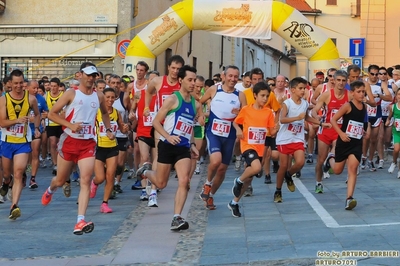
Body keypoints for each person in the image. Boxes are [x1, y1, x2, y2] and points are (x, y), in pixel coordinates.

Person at [41, 62, 114, 235]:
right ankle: (50, 189)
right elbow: (52, 114)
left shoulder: (99, 96)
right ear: (80, 75)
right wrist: (70, 125)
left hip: (88, 143)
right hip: (69, 141)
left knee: (86, 179)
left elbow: (104, 113)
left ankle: (80, 221)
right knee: (60, 180)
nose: (90, 78)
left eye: (93, 75)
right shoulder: (71, 93)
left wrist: (108, 128)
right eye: (88, 75)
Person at [138, 65, 203, 231]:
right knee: (161, 183)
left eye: (194, 80)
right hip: (167, 145)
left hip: (183, 148)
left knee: (184, 180)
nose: (193, 83)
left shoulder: (195, 104)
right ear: (180, 80)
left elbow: (189, 126)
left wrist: (193, 144)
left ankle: (177, 217)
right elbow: (155, 122)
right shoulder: (173, 99)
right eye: (190, 80)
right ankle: (145, 172)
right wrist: (167, 136)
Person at [274, 77, 330, 203]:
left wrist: (321, 124)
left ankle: (288, 175)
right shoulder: (287, 103)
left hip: (297, 138)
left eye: (304, 88)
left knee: (300, 162)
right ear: (293, 90)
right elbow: (282, 119)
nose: (303, 90)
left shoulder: (304, 103)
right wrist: (295, 118)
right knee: (283, 166)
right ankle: (278, 190)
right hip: (284, 139)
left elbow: (306, 118)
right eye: (300, 88)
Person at [198, 65, 246, 210]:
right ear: (223, 76)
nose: (232, 79)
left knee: (222, 169)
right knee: (216, 160)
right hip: (213, 132)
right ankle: (207, 183)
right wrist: (201, 115)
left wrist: (240, 113)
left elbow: (246, 115)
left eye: (235, 77)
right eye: (230, 76)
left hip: (230, 134)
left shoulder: (240, 95)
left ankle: (210, 195)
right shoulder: (214, 89)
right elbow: (199, 102)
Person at [229, 82, 276, 217]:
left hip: (260, 148)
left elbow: (271, 132)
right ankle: (238, 181)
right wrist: (238, 130)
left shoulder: (268, 113)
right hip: (247, 145)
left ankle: (234, 202)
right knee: (256, 168)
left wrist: (276, 130)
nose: (265, 99)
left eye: (267, 96)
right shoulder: (246, 110)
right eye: (262, 96)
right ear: (255, 95)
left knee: (249, 179)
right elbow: (235, 122)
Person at [0, 69, 41, 220]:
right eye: (15, 83)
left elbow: (37, 114)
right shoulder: (4, 100)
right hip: (7, 141)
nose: (18, 86)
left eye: (21, 83)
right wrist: (17, 121)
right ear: (10, 84)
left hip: (23, 142)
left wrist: (36, 127)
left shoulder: (31, 99)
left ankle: (14, 206)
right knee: (6, 174)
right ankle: (5, 183)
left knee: (18, 173)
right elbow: (2, 122)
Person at [90, 88, 131, 213]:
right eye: (107, 97)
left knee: (110, 176)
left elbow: (122, 130)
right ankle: (95, 183)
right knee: (100, 177)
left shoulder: (116, 112)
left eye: (113, 97)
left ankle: (105, 203)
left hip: (112, 147)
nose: (110, 100)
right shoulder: (96, 112)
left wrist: (126, 127)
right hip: (98, 147)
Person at [330, 80, 368, 210]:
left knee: (353, 169)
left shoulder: (364, 107)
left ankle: (349, 198)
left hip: (356, 143)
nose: (362, 94)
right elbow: (333, 120)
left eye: (363, 92)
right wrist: (341, 133)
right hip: (344, 142)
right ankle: (330, 158)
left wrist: (363, 130)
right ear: (352, 93)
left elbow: (362, 122)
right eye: (359, 92)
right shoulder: (347, 106)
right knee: (337, 171)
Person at [311, 70, 350, 193]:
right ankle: (318, 182)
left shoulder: (349, 95)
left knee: (335, 151)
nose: (341, 83)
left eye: (343, 81)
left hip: (339, 131)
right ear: (333, 80)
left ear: (346, 81)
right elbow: (314, 110)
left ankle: (331, 159)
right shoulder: (327, 94)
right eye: (338, 80)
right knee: (320, 161)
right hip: (326, 129)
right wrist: (316, 116)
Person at [27, 80, 49, 189]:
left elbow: (46, 112)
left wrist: (42, 117)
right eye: (34, 88)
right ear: (27, 87)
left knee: (35, 152)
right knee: (26, 155)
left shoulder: (40, 98)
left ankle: (33, 178)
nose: (36, 90)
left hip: (36, 130)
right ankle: (21, 174)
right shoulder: (22, 98)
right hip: (23, 131)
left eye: (37, 88)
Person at [386, 89, 400, 177]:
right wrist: (388, 121)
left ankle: (399, 171)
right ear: (396, 96)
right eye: (398, 94)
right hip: (396, 131)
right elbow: (389, 117)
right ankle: (394, 162)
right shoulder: (393, 107)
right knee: (396, 149)